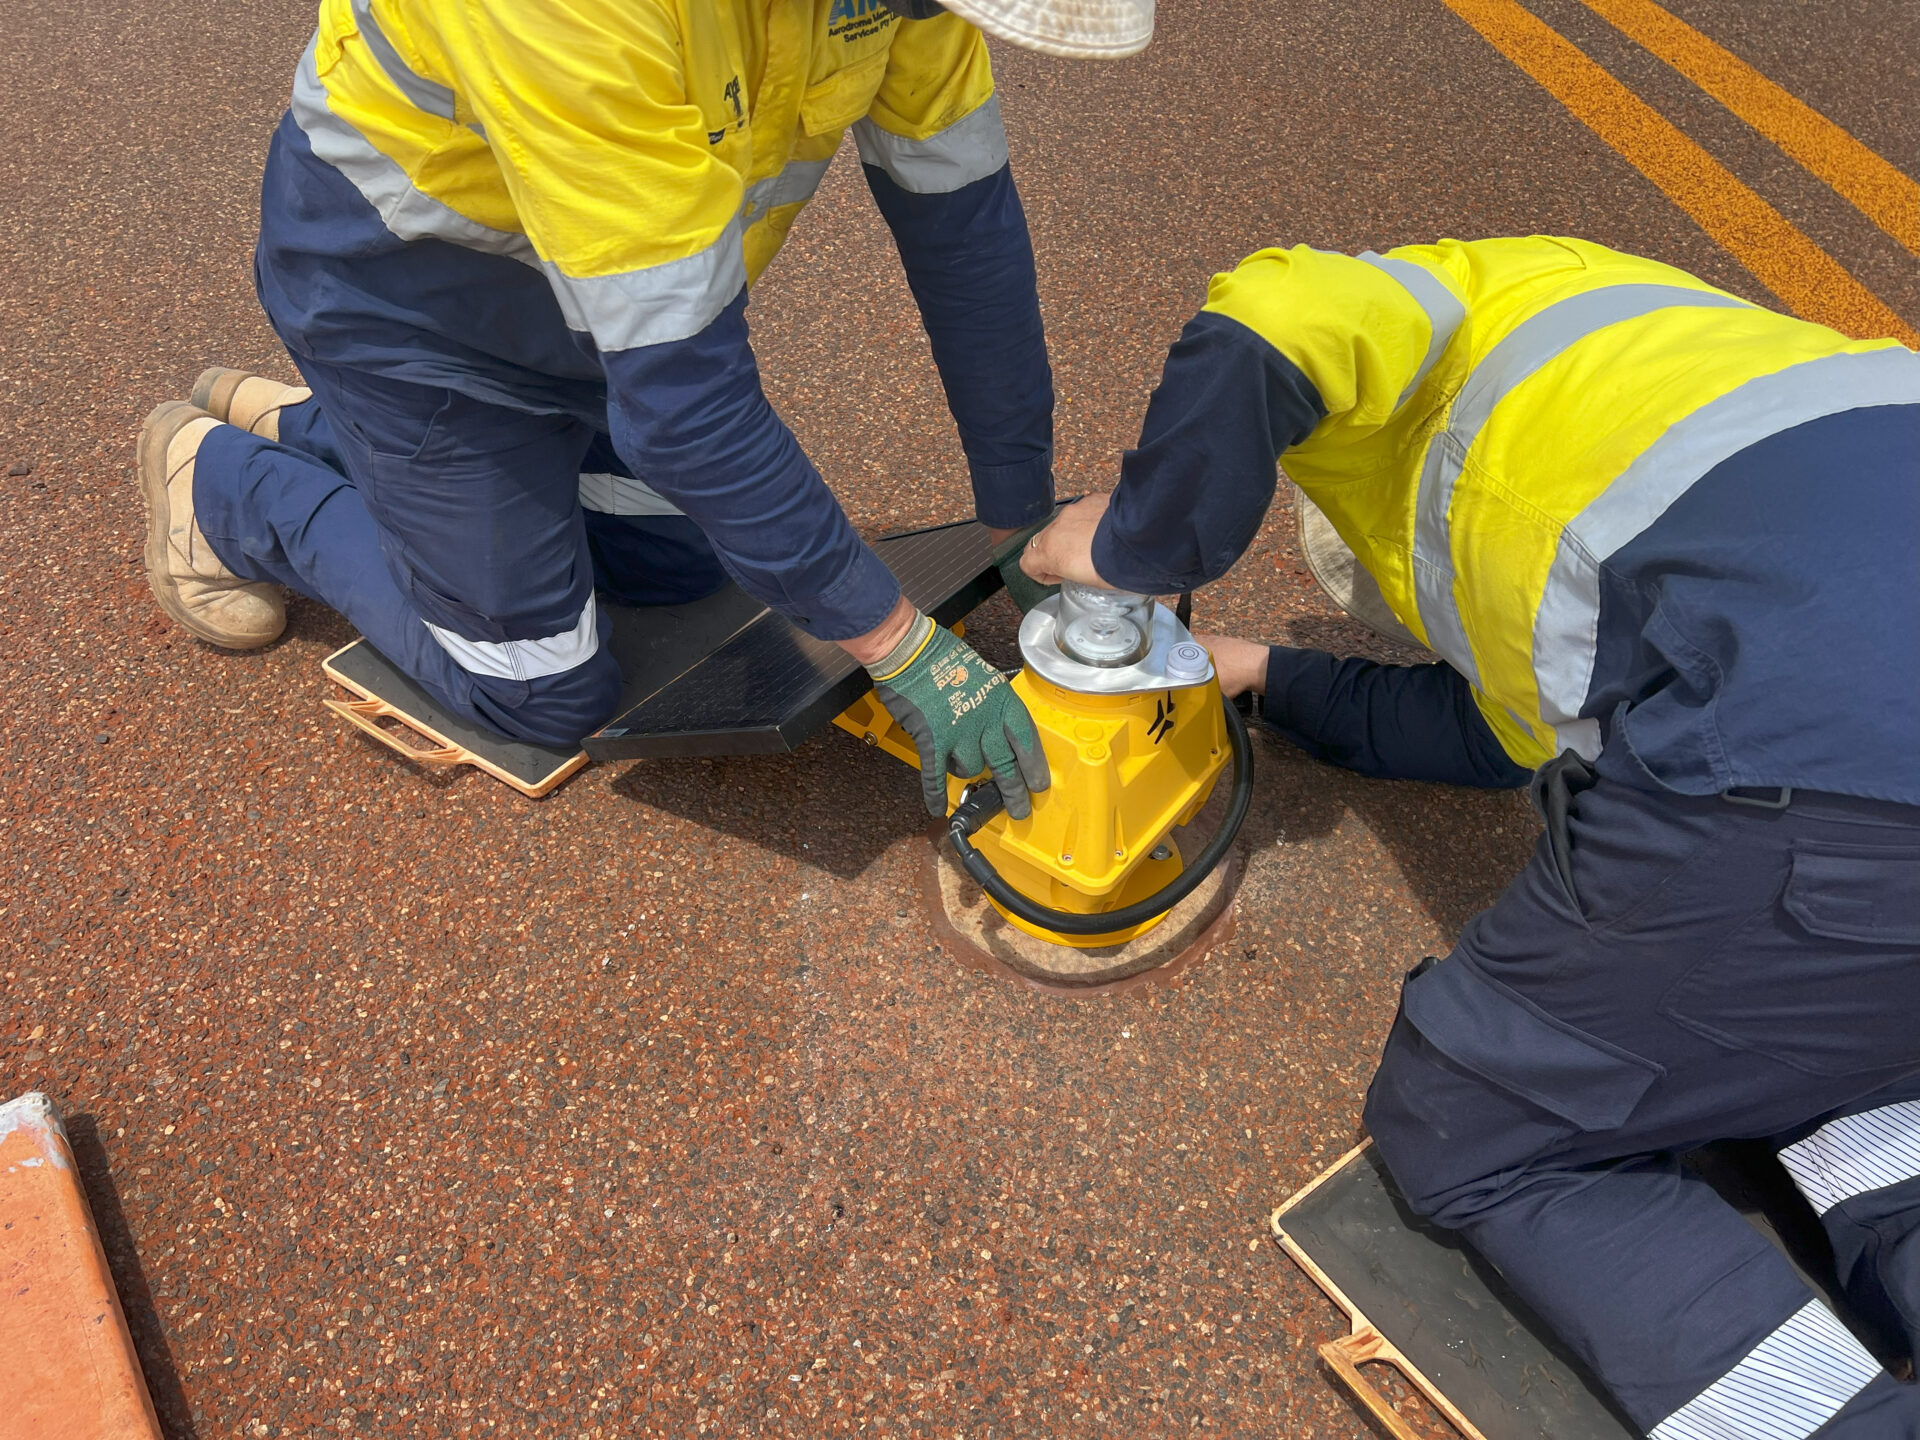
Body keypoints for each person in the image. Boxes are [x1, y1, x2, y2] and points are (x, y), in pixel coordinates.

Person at [1022, 236, 1920, 1437]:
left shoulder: (1419, 354)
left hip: (1835, 760)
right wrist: (1265, 675)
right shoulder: (1619, 347)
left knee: (1472, 1120)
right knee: (1850, 1052)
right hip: (1858, 717)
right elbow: (1497, 733)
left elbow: (1270, 310)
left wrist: (1139, 541)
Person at [136, 0, 1151, 816]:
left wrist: (1017, 507)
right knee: (543, 690)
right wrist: (900, 646)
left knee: (687, 568)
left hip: (593, 336)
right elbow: (690, 410)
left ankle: (334, 432)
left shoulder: (907, 7)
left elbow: (966, 239)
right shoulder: (582, 14)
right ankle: (222, 487)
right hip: (414, 325)